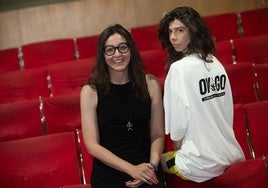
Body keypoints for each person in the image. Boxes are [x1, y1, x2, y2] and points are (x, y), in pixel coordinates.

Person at [158, 6, 245, 183]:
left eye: (180, 30)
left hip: (199, 164)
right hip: (231, 153)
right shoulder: (215, 62)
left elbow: (177, 129)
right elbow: (227, 110)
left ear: (194, 31)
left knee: (157, 162)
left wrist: (179, 153)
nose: (173, 37)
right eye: (170, 31)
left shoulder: (178, 69)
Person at [80, 24, 166, 188]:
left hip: (147, 167)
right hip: (109, 171)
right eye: (110, 50)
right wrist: (132, 170)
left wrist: (152, 166)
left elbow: (157, 134)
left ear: (131, 50)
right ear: (103, 55)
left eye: (122, 47)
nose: (117, 54)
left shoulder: (151, 84)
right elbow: (92, 146)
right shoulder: (90, 91)